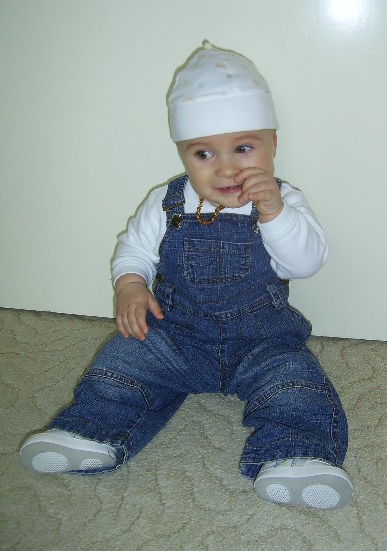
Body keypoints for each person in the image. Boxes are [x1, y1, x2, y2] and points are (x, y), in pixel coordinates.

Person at [19, 41, 353, 510]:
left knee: (296, 384)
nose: (227, 168)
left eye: (243, 148)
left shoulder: (285, 202)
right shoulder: (167, 202)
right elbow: (134, 248)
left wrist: (274, 213)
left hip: (263, 342)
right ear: (183, 155)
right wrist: (130, 284)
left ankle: (296, 455)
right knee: (122, 361)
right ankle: (90, 432)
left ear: (273, 144)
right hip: (176, 338)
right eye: (203, 154)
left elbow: (305, 263)